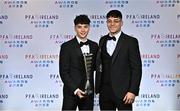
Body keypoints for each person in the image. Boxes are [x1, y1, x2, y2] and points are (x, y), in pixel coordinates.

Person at [95, 10, 142, 110]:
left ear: (121, 23)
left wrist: (132, 91)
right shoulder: (102, 40)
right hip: (104, 91)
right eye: (109, 21)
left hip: (124, 92)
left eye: (116, 21)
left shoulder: (131, 41)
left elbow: (136, 68)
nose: (112, 24)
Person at [59, 15, 98, 110]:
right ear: (75, 28)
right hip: (71, 92)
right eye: (79, 27)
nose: (83, 30)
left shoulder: (94, 46)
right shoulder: (66, 46)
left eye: (85, 27)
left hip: (88, 92)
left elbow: (97, 67)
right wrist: (75, 90)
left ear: (89, 28)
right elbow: (63, 71)